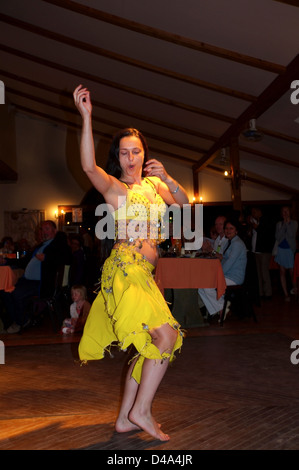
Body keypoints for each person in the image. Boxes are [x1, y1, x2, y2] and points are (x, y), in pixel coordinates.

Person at [73, 84, 189, 441]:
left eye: (136, 151)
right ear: (118, 157)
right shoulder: (116, 190)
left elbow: (184, 206)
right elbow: (88, 166)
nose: (130, 158)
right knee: (166, 336)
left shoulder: (155, 186)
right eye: (124, 153)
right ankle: (141, 410)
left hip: (144, 274)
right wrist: (87, 117)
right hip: (124, 269)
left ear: (144, 154)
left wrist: (168, 178)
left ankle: (125, 417)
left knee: (148, 345)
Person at [5, 220, 72, 334]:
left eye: (47, 229)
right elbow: (23, 261)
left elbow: (66, 257)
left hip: (41, 284)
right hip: (27, 281)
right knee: (5, 291)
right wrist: (6, 260)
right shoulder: (40, 246)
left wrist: (46, 258)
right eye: (42, 229)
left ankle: (21, 321)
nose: (43, 232)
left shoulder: (57, 245)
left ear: (54, 231)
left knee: (16, 293)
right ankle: (22, 320)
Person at [198, 218, 247, 320]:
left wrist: (216, 275)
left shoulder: (237, 244)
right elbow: (223, 258)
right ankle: (220, 309)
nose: (228, 231)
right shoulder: (231, 242)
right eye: (227, 228)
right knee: (200, 286)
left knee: (206, 286)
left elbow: (229, 263)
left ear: (236, 231)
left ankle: (222, 308)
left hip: (234, 278)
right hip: (227, 274)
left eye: (231, 229)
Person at [247, 207, 275, 300]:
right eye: (252, 212)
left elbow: (266, 234)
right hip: (255, 250)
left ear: (260, 212)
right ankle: (260, 293)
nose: (253, 214)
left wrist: (256, 227)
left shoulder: (265, 221)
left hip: (264, 251)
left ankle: (268, 293)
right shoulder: (254, 222)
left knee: (264, 272)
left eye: (255, 212)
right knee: (258, 274)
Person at [274, 206, 298, 301]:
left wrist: (288, 224)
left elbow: (291, 235)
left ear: (290, 212)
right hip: (281, 250)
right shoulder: (279, 224)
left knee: (292, 272)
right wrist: (284, 224)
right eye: (283, 211)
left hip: (290, 250)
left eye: (287, 211)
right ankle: (286, 294)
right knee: (282, 272)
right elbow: (278, 237)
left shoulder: (295, 223)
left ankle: (295, 290)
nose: (285, 213)